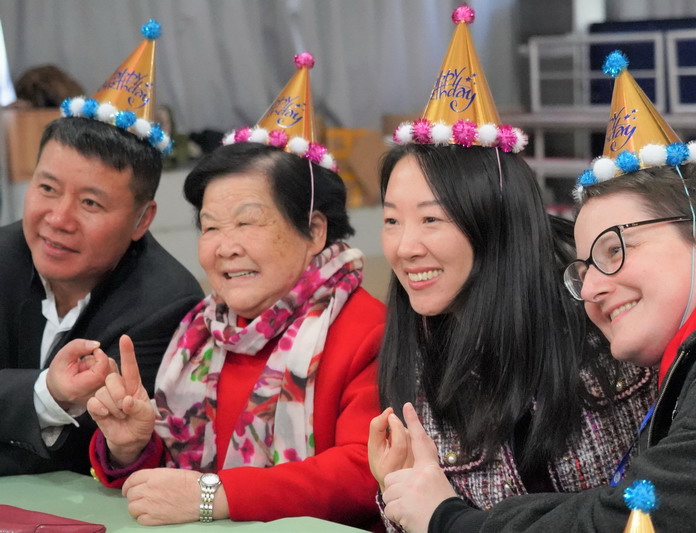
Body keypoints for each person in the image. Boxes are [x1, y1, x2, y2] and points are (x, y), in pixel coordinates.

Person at [380, 51, 696, 532]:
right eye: (390, 220)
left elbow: (639, 519)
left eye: (616, 250)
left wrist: (449, 520)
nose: (593, 289)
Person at [368, 8, 655, 531]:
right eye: (391, 220)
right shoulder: (415, 356)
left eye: (431, 219)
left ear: (495, 221)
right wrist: (396, 498)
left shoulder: (600, 324)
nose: (404, 247)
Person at [86, 54, 386, 529]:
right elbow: (173, 487)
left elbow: (366, 471)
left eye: (247, 222)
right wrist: (133, 445)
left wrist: (216, 495)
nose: (225, 247)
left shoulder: (368, 330)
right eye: (210, 227)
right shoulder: (199, 333)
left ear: (314, 231)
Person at [0, 20, 203, 477]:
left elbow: (83, 452)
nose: (58, 219)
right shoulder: (3, 255)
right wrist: (47, 393)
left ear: (142, 220)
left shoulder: (165, 303)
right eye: (47, 188)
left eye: (90, 203)